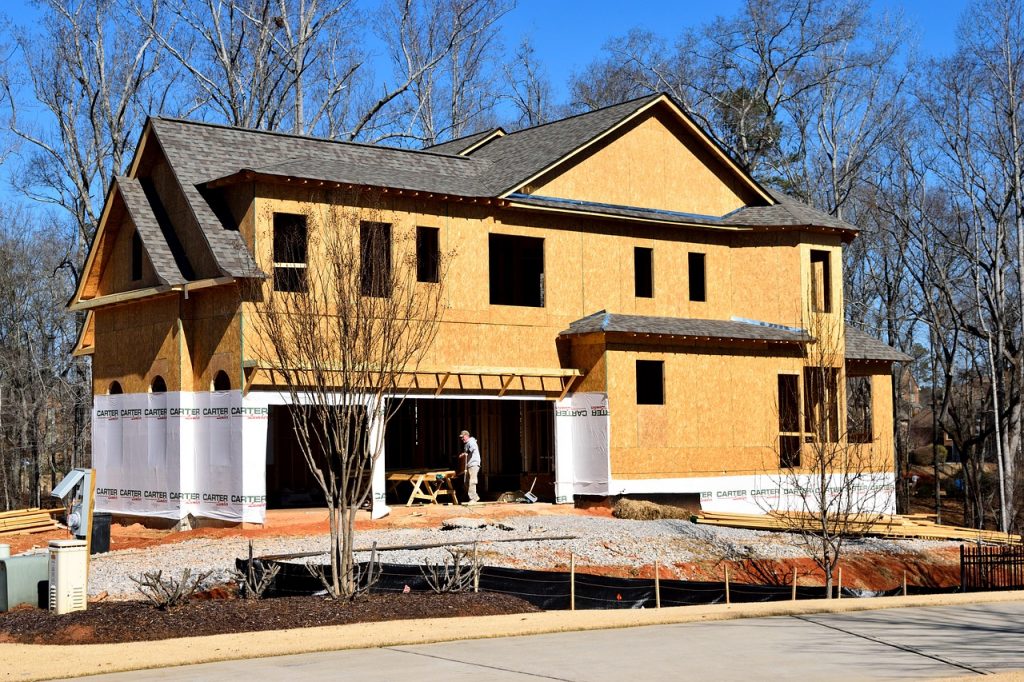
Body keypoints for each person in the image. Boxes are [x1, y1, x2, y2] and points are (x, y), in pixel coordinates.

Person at [459, 429, 481, 503]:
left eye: (463, 437)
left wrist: (465, 454)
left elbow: (472, 449)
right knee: (466, 482)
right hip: (469, 465)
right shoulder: (467, 443)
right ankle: (475, 497)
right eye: (461, 437)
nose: (462, 439)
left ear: (466, 436)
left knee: (472, 481)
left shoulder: (471, 441)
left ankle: (473, 499)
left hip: (474, 464)